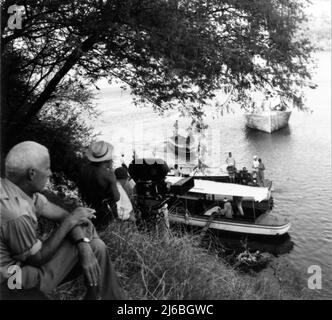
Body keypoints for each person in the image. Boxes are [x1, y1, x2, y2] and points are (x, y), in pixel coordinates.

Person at [0, 141, 124, 300]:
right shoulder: (16, 213)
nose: (50, 173)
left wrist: (82, 244)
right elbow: (36, 259)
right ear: (32, 174)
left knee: (94, 244)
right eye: (46, 168)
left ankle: (103, 297)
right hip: (12, 281)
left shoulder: (18, 191)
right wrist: (70, 223)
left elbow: (63, 214)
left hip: (18, 267)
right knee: (93, 241)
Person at [78, 141, 120, 229]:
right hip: (104, 213)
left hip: (88, 209)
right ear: (107, 160)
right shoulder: (108, 175)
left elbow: (81, 192)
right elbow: (116, 197)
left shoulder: (84, 170)